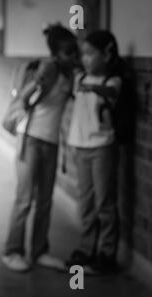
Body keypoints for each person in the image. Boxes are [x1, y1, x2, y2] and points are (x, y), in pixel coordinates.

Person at [2, 24, 79, 272]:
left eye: (74, 52)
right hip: (31, 138)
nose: (73, 57)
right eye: (68, 53)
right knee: (25, 199)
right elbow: (24, 99)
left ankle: (39, 251)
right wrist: (38, 81)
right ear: (56, 54)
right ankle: (12, 251)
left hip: (51, 142)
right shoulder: (48, 69)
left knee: (45, 200)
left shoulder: (70, 74)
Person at [65, 30, 123, 275]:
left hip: (102, 148)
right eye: (84, 54)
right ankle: (87, 248)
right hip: (80, 147)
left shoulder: (112, 81)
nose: (86, 58)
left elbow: (111, 93)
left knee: (105, 204)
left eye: (91, 54)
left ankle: (107, 253)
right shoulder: (79, 77)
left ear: (107, 54)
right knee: (86, 203)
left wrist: (93, 87)